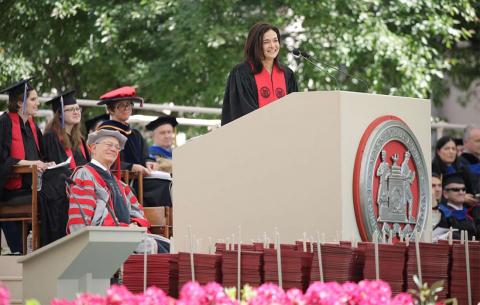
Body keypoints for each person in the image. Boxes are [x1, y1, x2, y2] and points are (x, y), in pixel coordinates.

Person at [67, 129, 168, 253]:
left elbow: (138, 212)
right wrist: (124, 229)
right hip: (103, 239)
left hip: (127, 235)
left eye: (117, 147)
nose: (114, 149)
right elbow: (80, 224)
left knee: (168, 245)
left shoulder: (121, 184)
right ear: (93, 148)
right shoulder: (84, 174)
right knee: (159, 251)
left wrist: (135, 226)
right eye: (109, 145)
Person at [0, 78, 53, 253]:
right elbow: (3, 158)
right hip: (10, 190)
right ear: (19, 102)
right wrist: (32, 163)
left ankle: (49, 248)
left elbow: (40, 157)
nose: (37, 103)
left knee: (59, 190)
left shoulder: (33, 127)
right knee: (50, 199)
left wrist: (46, 164)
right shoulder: (5, 123)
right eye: (33, 99)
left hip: (30, 187)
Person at [221, 22, 298, 125]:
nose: (272, 45)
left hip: (284, 133)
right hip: (254, 135)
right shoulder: (242, 73)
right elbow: (243, 111)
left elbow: (294, 108)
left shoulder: (287, 74)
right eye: (266, 42)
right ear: (255, 45)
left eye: (275, 40)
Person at [40, 90, 90, 245]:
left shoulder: (79, 139)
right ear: (60, 114)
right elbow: (57, 169)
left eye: (77, 109)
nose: (76, 112)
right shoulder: (51, 137)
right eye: (71, 109)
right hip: (59, 187)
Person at [96, 86, 153, 176]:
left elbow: (145, 156)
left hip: (139, 179)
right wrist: (131, 167)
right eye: (121, 105)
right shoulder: (107, 132)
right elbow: (107, 161)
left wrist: (148, 162)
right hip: (117, 181)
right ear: (111, 109)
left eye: (128, 104)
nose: (126, 108)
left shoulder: (135, 134)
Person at [432, 136, 477, 206]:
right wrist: (460, 198)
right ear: (438, 152)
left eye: (453, 149)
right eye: (447, 149)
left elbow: (471, 191)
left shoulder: (463, 170)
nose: (451, 152)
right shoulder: (432, 171)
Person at [433, 172, 477, 240]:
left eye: (463, 189)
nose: (461, 192)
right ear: (445, 193)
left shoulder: (471, 214)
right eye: (456, 190)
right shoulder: (443, 214)